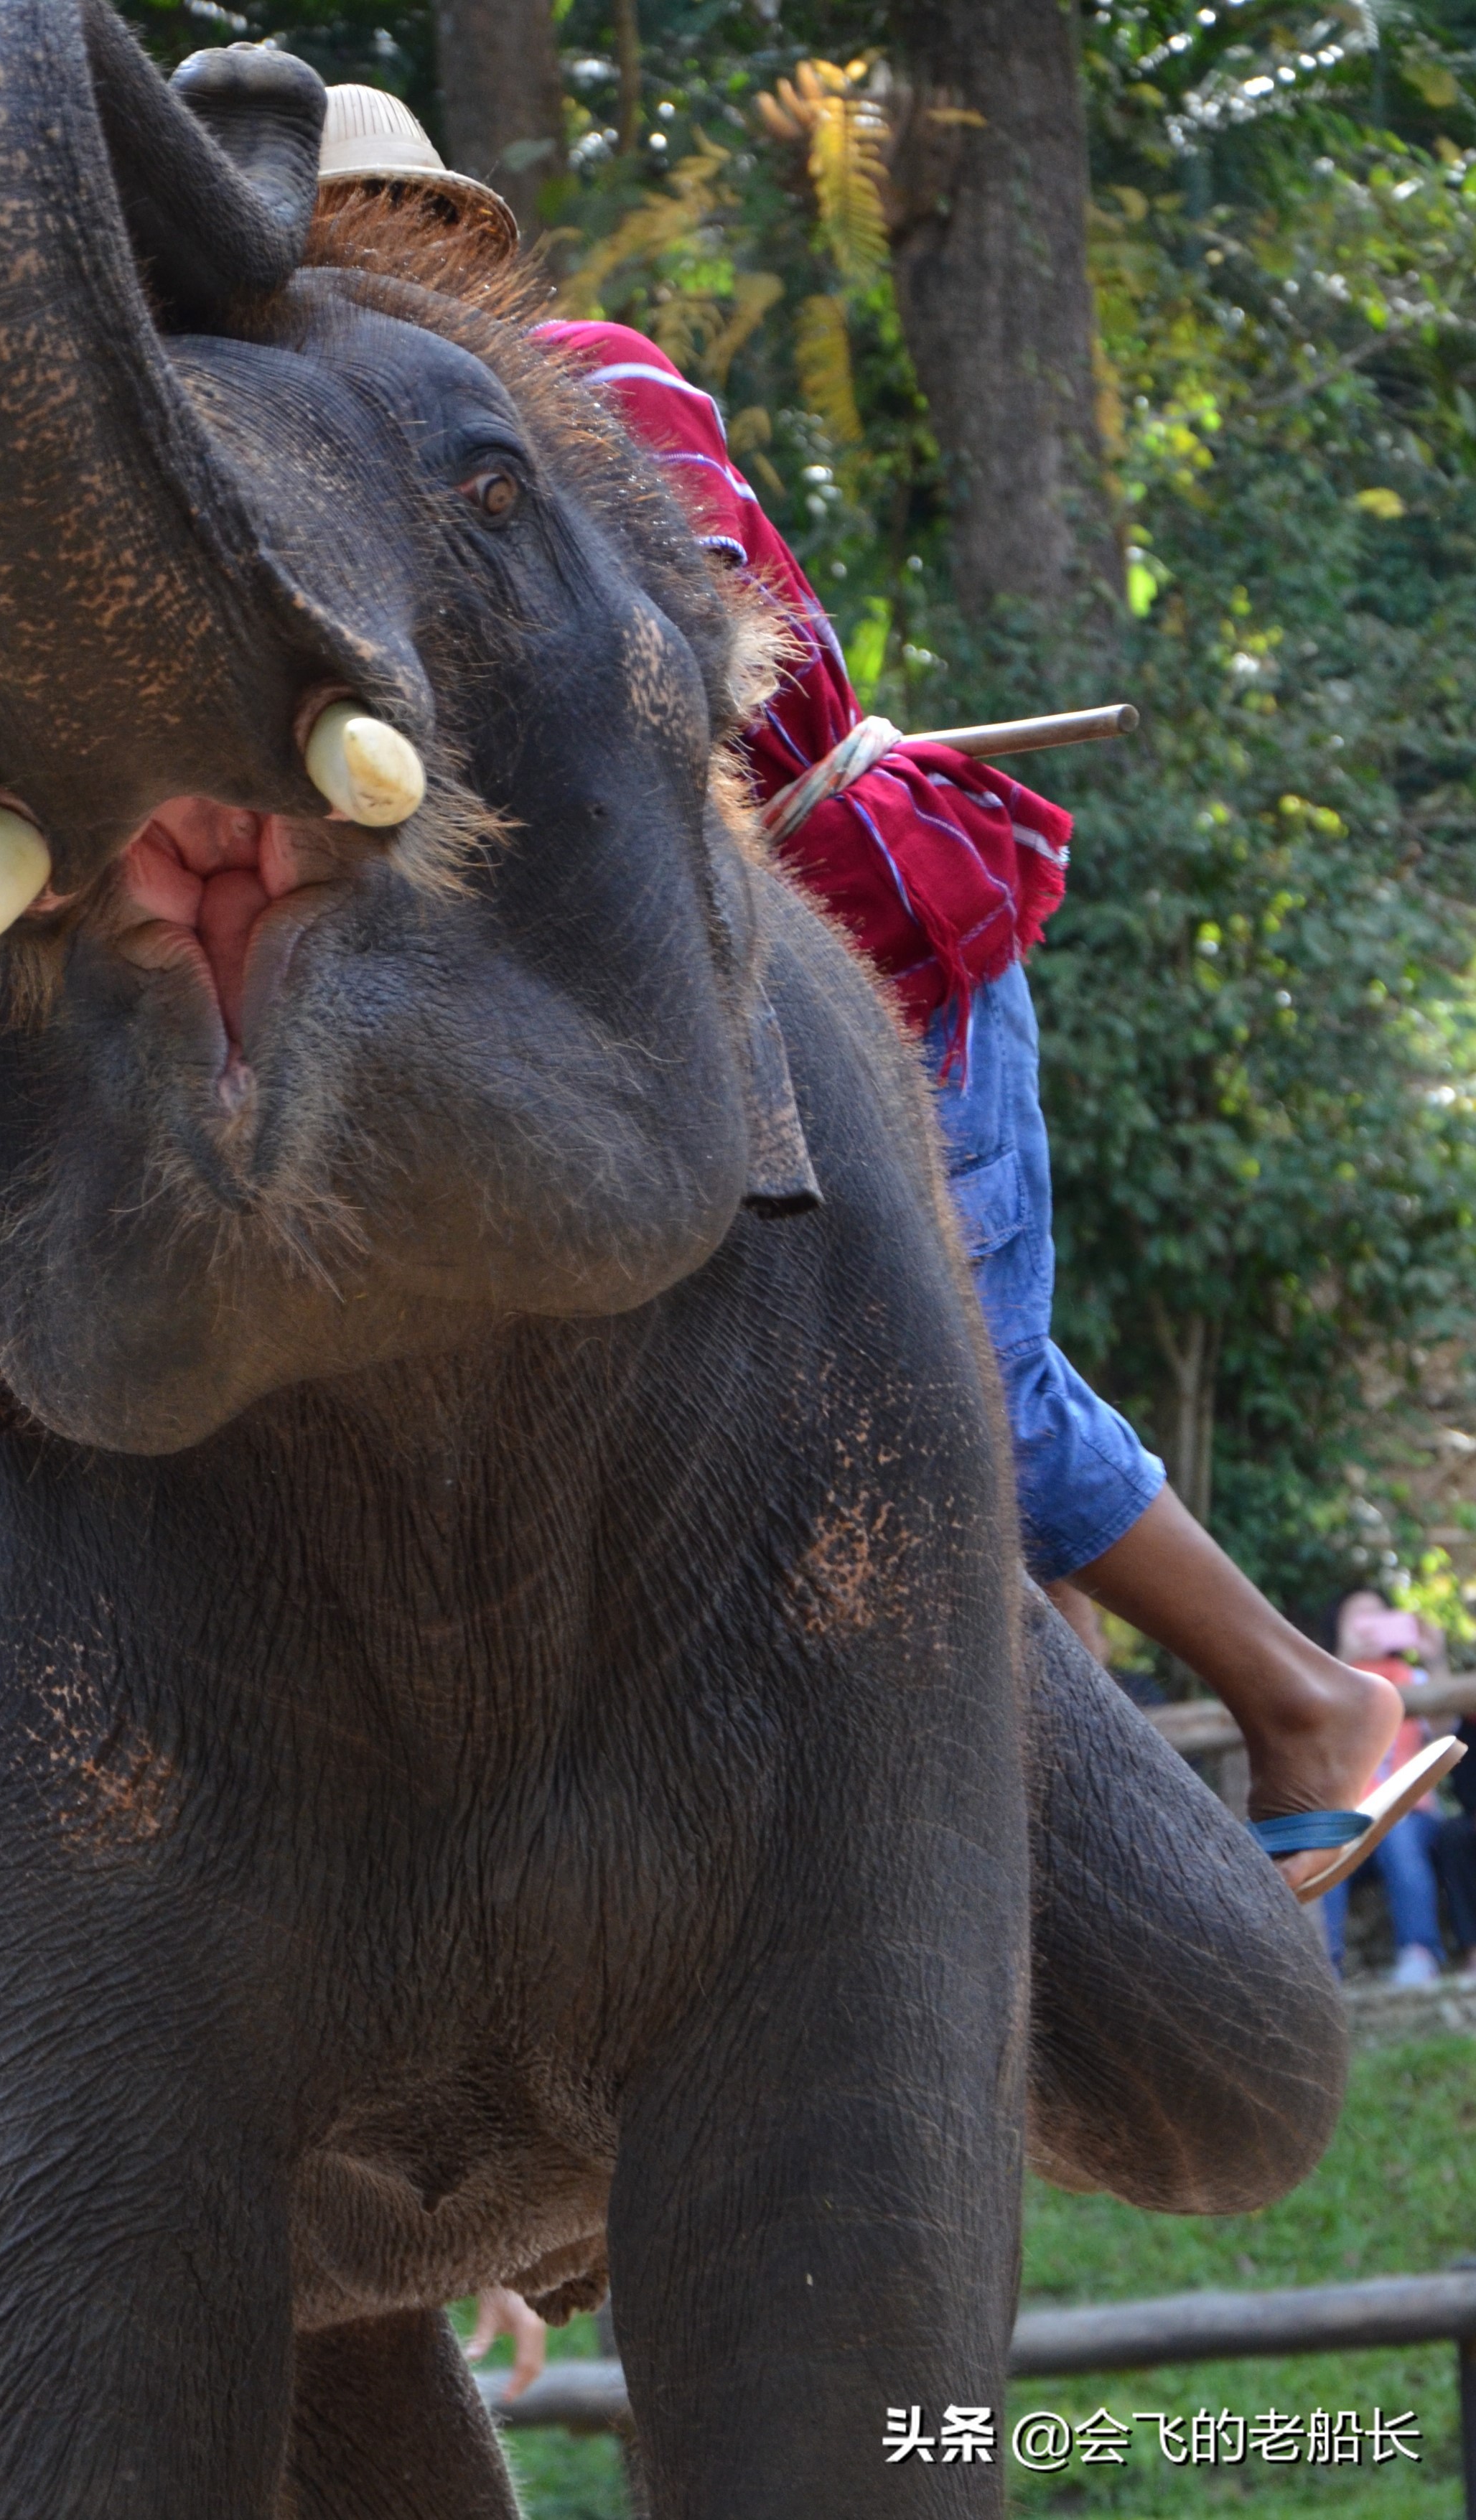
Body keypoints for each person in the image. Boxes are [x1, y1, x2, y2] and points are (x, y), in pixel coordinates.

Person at [311, 88, 1403, 1887]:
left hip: (874, 936)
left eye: (354, 233)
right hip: (694, 1000)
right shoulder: (329, 470)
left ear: (440, 241)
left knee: (959, 1376)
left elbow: (659, 674)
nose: (330, 281)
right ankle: (1080, 1855)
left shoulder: (582, 385)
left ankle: (1306, 1698)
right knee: (840, 1411)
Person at [1321, 1594, 1449, 1981]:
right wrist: (1345, 1657)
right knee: (1322, 1849)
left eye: (1379, 1615)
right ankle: (1323, 1967)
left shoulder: (1415, 1678)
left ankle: (1419, 1953)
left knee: (1397, 1833)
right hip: (1346, 1822)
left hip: (1412, 1816)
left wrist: (1435, 1658)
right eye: (1359, 1618)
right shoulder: (1323, 1682)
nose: (1370, 1624)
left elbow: (1446, 1729)